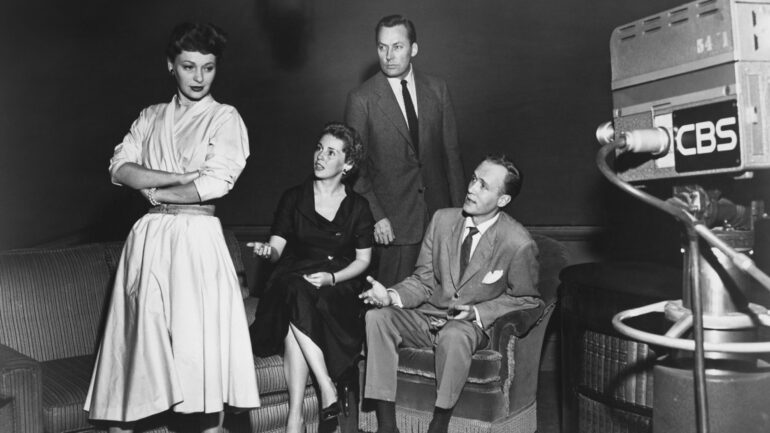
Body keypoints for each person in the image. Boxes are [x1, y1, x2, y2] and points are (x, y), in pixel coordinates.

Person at [84, 22, 260, 433]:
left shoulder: (225, 118)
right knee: (139, 362)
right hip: (147, 243)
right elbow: (119, 169)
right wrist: (177, 176)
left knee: (196, 368)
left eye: (208, 68)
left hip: (196, 243)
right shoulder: (150, 117)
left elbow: (215, 182)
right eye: (188, 66)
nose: (199, 78)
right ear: (171, 65)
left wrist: (157, 191)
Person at [359, 155, 541, 433]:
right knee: (377, 317)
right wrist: (391, 297)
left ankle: (439, 424)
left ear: (502, 200)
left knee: (454, 334)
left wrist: (478, 312)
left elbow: (528, 300)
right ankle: (386, 425)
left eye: (483, 186)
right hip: (426, 316)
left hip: (466, 327)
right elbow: (423, 281)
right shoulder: (442, 220)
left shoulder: (518, 242)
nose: (471, 189)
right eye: (473, 179)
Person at [248, 122, 374, 433]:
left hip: (338, 285)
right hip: (293, 276)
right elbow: (277, 248)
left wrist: (332, 279)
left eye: (331, 152)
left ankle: (295, 419)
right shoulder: (294, 197)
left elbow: (363, 261)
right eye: (319, 148)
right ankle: (326, 385)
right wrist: (267, 251)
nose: (320, 156)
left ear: (347, 164)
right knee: (294, 288)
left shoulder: (358, 206)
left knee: (298, 306)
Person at [344, 14, 465, 287]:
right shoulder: (361, 99)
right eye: (382, 47)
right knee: (392, 306)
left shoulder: (437, 89)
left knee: (441, 301)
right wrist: (377, 217)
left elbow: (452, 156)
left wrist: (460, 214)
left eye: (397, 46)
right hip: (393, 226)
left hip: (440, 217)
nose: (388, 55)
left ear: (414, 49)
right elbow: (354, 169)